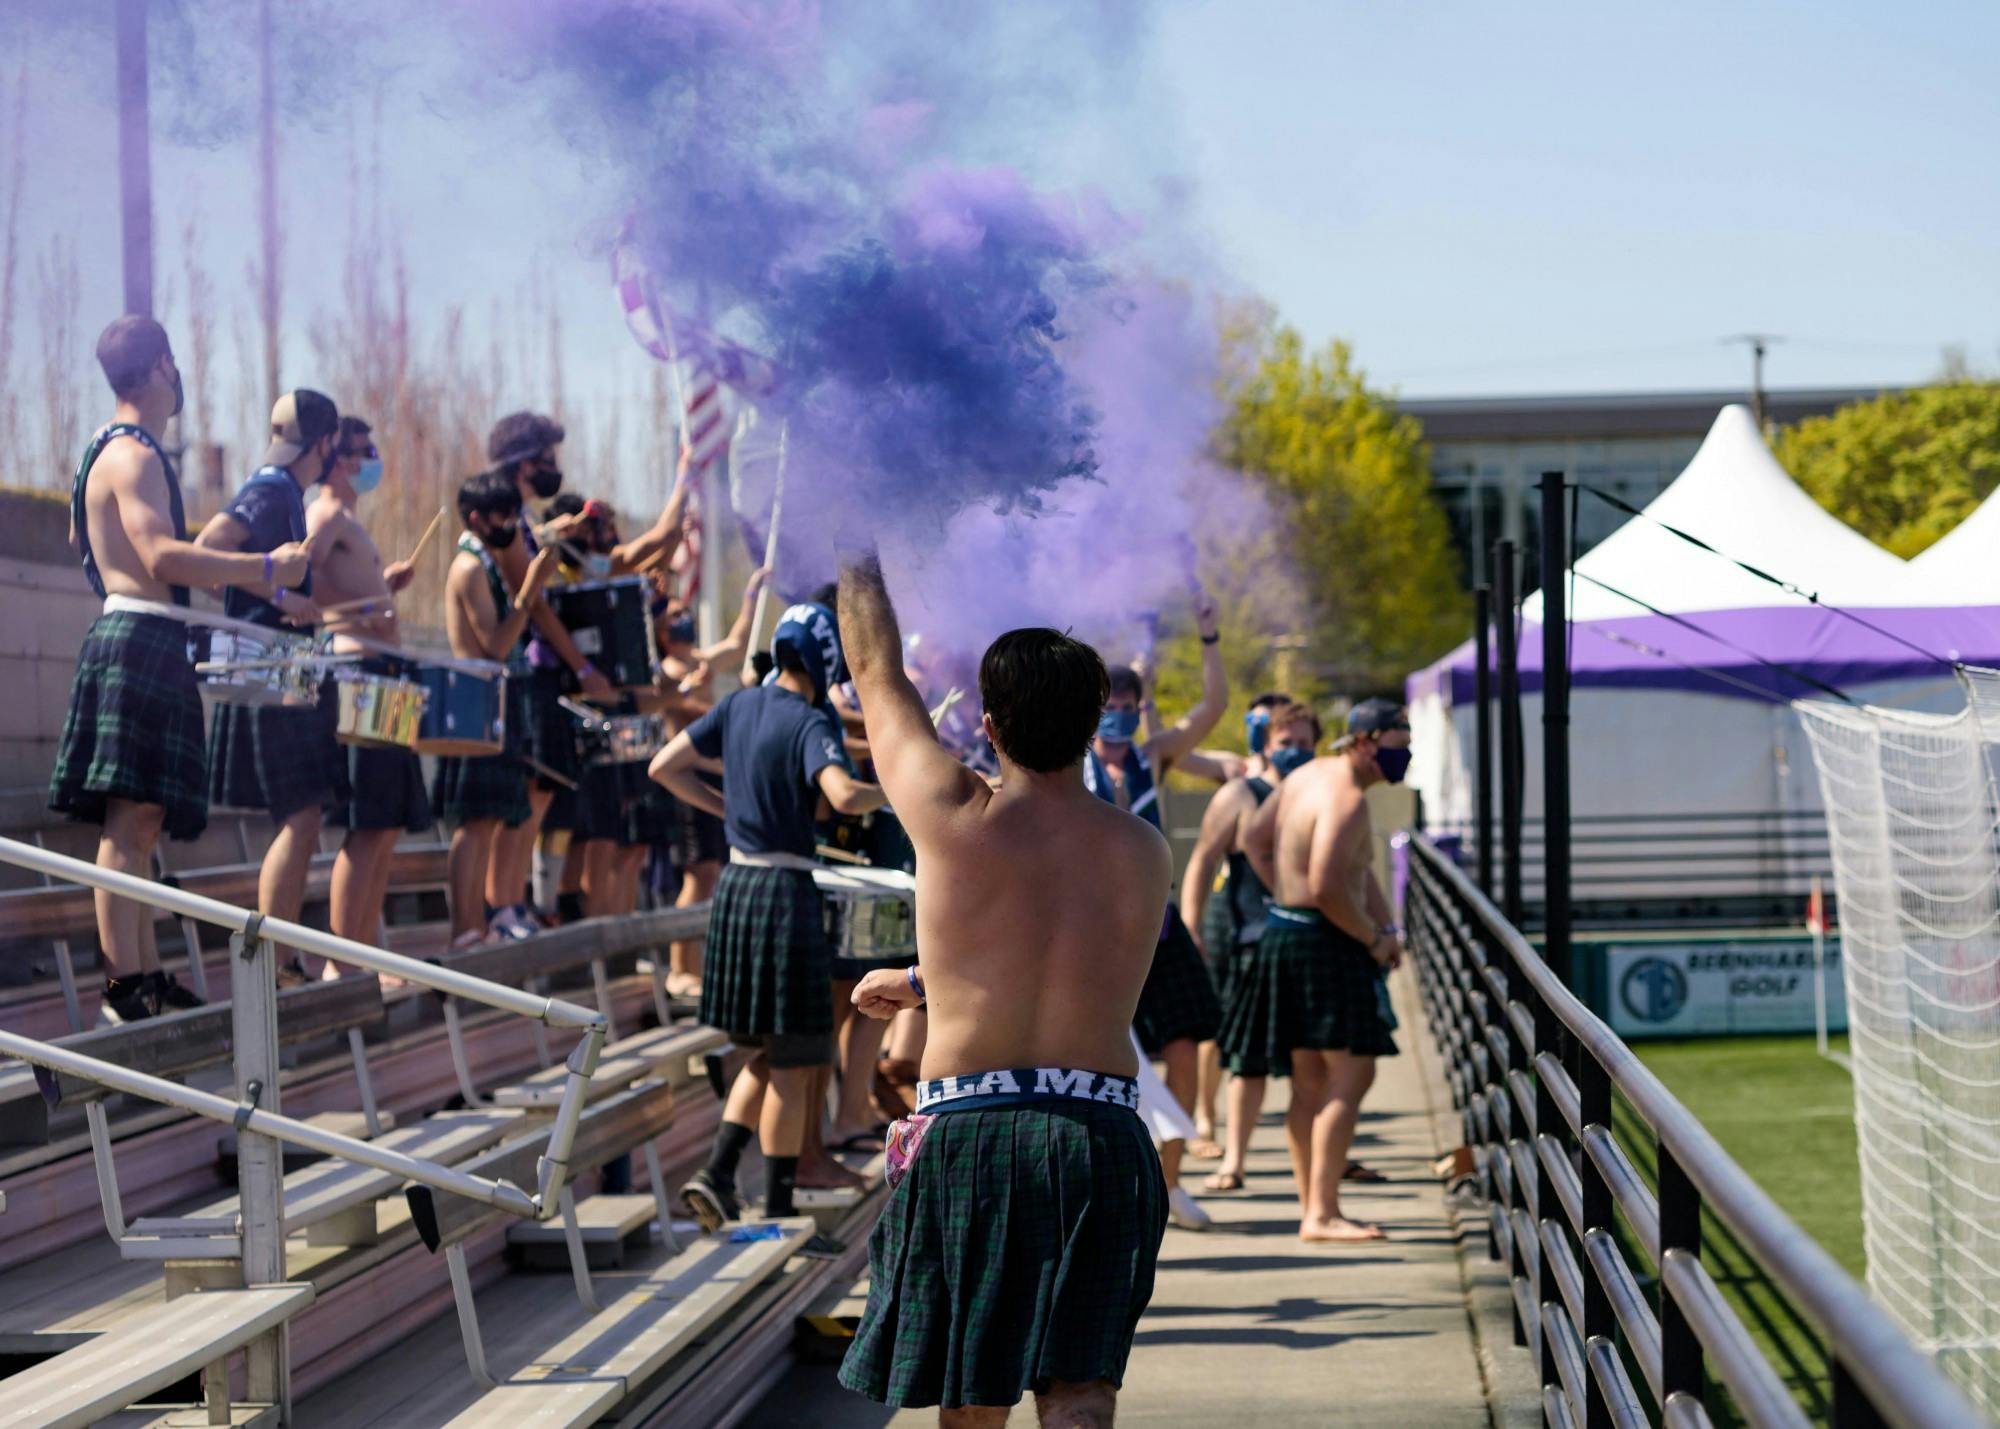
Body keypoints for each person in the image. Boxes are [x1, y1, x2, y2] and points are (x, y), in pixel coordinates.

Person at [834, 550, 1171, 1424]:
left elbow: (874, 670)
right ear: (1097, 719)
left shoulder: (952, 816)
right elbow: (1074, 944)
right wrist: (919, 979)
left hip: (972, 1130)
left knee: (972, 1399)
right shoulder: (1141, 850)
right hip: (1099, 1130)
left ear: (987, 720)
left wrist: (851, 538)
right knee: (1082, 1393)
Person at [50, 316, 309, 1024]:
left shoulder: (109, 452)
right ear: (162, 366)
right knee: (130, 820)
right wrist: (264, 565)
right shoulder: (131, 455)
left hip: (142, 634)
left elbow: (85, 534)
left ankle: (143, 974)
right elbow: (161, 556)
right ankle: (121, 986)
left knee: (144, 818)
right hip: (136, 635)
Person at [651, 601, 884, 1241]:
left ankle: (720, 1172)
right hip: (784, 893)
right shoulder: (812, 719)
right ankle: (778, 1213)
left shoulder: (736, 704)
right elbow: (840, 795)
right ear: (823, 660)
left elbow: (663, 766)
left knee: (764, 1049)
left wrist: (723, 808)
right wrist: (892, 789)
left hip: (736, 886)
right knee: (793, 1062)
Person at [1229, 697, 1410, 1243]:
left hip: (1287, 934)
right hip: (1325, 942)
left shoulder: (1306, 775)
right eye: (1398, 747)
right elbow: (1330, 883)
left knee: (1308, 1082)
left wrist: (1287, 896)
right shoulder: (1349, 798)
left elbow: (1254, 842)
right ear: (1364, 741)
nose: (1407, 759)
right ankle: (1323, 1213)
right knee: (1353, 1075)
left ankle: (1314, 1208)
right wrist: (1373, 939)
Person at [1083, 590, 1228, 1230]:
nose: (1118, 718)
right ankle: (1125, 1170)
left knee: (1190, 1039)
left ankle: (1170, 1181)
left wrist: (1208, 639)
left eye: (1126, 707)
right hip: (1098, 935)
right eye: (1108, 709)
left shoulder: (1153, 756)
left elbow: (1213, 708)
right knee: (1108, 1049)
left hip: (1158, 924)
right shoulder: (1071, 763)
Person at [197, 390, 350, 982]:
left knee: (303, 818)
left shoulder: (283, 490)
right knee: (301, 816)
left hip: (284, 667)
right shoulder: (271, 491)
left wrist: (285, 597)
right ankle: (275, 963)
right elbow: (209, 551)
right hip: (271, 671)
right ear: (325, 442)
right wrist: (278, 594)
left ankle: (280, 961)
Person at [1180, 697, 1321, 1192]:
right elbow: (1201, 860)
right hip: (1246, 938)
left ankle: (1326, 1164)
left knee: (1313, 1058)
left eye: (1306, 743)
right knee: (1239, 1052)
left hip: (1304, 942)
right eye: (1287, 743)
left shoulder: (1320, 791)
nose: (1297, 751)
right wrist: (1192, 929)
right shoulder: (1240, 793)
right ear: (1267, 743)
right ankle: (1226, 1149)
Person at [308, 416, 427, 960]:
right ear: (337, 457)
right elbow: (296, 575)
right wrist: (347, 612)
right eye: (362, 451)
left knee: (386, 826)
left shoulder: (351, 520)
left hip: (384, 674)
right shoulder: (327, 512)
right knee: (366, 823)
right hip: (357, 676)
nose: (371, 460)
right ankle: (342, 961)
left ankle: (364, 956)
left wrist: (383, 588)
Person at [431, 471, 557, 948]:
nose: (510, 524)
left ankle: (478, 925)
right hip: (473, 697)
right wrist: (529, 591)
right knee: (474, 821)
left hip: (492, 700)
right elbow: (495, 644)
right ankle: (466, 928)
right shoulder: (468, 567)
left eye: (514, 514)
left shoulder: (486, 562)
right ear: (477, 518)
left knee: (489, 821)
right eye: (502, 515)